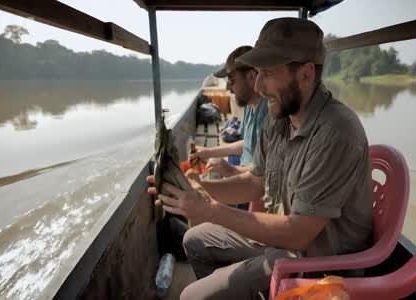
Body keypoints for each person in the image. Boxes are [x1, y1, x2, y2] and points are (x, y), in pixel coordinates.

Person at [148, 17, 372, 299]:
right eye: (256, 73)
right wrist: (192, 191)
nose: (258, 87)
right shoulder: (280, 119)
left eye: (268, 73)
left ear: (305, 74)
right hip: (283, 243)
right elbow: (256, 183)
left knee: (191, 296)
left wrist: (209, 210)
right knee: (194, 239)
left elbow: (298, 233)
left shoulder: (336, 131)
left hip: (318, 263)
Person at [191, 46, 268, 178]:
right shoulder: (250, 105)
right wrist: (208, 152)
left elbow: (268, 171)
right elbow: (248, 144)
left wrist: (233, 171)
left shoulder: (269, 112)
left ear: (251, 77)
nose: (228, 87)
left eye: (231, 80)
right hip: (245, 171)